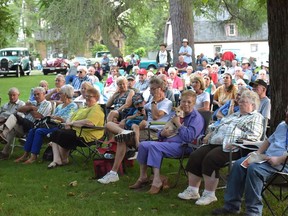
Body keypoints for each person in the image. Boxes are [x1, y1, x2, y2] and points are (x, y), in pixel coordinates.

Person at [177, 90, 264, 206]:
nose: (240, 103)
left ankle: (209, 194)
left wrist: (237, 141)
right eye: (240, 100)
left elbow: (255, 135)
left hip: (236, 147)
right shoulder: (234, 115)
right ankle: (192, 190)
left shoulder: (256, 117)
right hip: (216, 142)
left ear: (252, 105)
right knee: (195, 155)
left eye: (244, 101)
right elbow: (217, 125)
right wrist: (209, 133)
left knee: (211, 158)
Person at [212, 106, 288, 216]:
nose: (287, 113)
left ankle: (253, 212)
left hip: (283, 165)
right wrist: (257, 153)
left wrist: (280, 159)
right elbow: (268, 141)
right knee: (239, 165)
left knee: (254, 169)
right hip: (267, 159)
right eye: (287, 110)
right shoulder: (282, 125)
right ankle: (231, 206)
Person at [97, 76, 173, 184]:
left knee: (121, 139)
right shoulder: (151, 100)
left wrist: (154, 103)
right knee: (110, 125)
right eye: (150, 89)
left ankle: (114, 173)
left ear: (161, 89)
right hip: (142, 129)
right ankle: (123, 133)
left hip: (154, 132)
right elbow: (144, 112)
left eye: (153, 89)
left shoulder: (167, 103)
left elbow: (156, 116)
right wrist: (127, 119)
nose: (151, 91)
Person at [129, 90, 205, 194]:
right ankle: (143, 177)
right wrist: (162, 134)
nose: (185, 104)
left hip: (185, 146)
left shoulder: (196, 118)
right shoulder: (178, 113)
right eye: (183, 101)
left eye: (189, 102)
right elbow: (165, 128)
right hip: (169, 142)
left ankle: (157, 181)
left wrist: (178, 124)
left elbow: (188, 137)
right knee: (143, 145)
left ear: (194, 103)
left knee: (154, 147)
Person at [14, 85, 78, 164]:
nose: (59, 95)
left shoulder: (73, 106)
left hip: (61, 127)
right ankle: (26, 154)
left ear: (65, 94)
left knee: (39, 131)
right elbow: (52, 117)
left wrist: (57, 118)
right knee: (32, 130)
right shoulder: (60, 106)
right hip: (52, 124)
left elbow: (68, 120)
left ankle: (34, 156)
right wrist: (51, 117)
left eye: (60, 93)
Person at [48, 88, 104, 168]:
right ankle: (56, 160)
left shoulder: (96, 109)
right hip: (75, 131)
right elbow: (71, 118)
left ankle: (64, 160)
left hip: (87, 135)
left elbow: (90, 123)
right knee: (55, 133)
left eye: (90, 96)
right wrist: (68, 122)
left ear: (96, 98)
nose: (87, 98)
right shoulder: (83, 108)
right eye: (86, 96)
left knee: (63, 134)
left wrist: (73, 123)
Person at [0, 87, 52, 160]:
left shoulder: (47, 103)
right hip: (24, 126)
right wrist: (31, 107)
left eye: (38, 94)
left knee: (14, 115)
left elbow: (38, 116)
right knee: (12, 127)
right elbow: (19, 109)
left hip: (34, 126)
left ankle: (3, 133)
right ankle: (5, 152)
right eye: (34, 95)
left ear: (43, 94)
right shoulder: (33, 103)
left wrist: (29, 108)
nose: (36, 96)